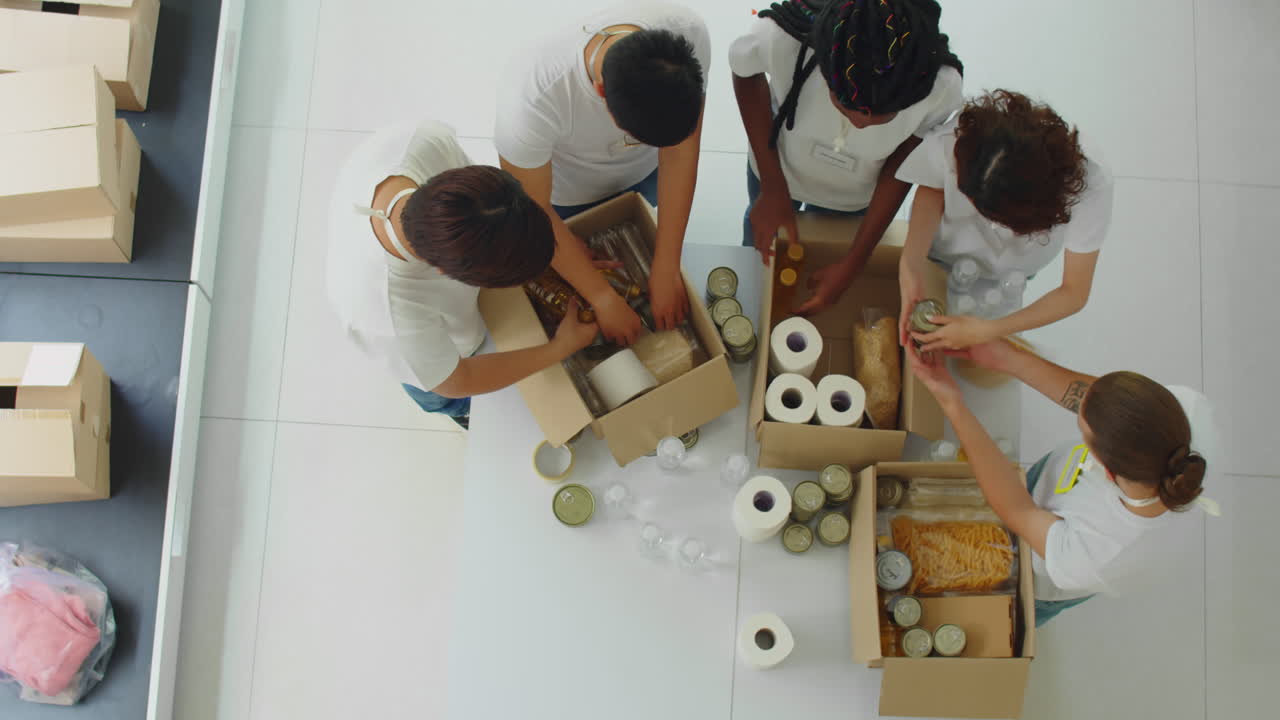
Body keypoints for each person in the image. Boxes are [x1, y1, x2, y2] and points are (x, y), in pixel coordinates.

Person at [908, 340, 1219, 626]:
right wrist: (1009, 358)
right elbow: (1097, 401)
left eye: (1084, 432)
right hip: (1057, 499)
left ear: (1105, 472)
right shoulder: (1185, 411)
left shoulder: (1094, 552)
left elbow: (1019, 510)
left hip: (1042, 565)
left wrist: (953, 404)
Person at [326, 120, 599, 431]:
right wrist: (559, 349)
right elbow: (457, 379)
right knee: (449, 400)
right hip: (438, 369)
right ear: (445, 273)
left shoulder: (425, 145)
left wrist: (561, 256)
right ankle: (458, 414)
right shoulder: (390, 314)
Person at [729, 0, 963, 315]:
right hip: (775, 169)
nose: (861, 123)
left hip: (856, 196)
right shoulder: (780, 37)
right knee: (757, 243)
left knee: (825, 249)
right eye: (842, 103)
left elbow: (906, 158)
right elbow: (744, 71)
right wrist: (772, 186)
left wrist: (855, 261)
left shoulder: (942, 86)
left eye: (884, 115)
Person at [495, 1, 710, 342]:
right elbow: (531, 209)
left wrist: (667, 264)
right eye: (637, 140)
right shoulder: (533, 99)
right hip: (568, 193)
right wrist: (602, 297)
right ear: (600, 93)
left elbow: (680, 154)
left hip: (646, 176)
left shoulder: (686, 37)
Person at [898, 89, 1115, 349]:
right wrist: (910, 264)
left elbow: (1074, 292)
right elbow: (932, 188)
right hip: (943, 248)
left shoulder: (1090, 185)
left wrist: (991, 330)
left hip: (1016, 268)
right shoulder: (960, 139)